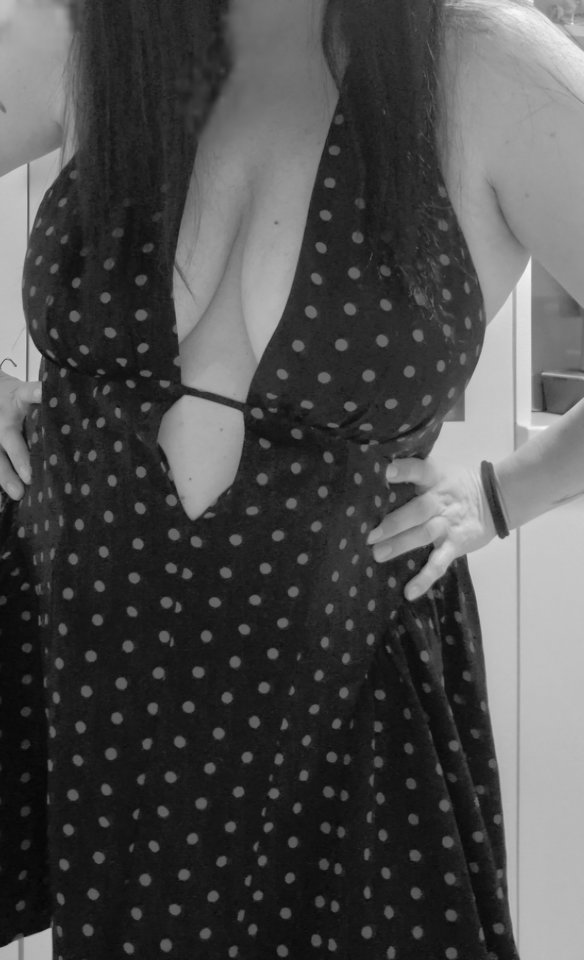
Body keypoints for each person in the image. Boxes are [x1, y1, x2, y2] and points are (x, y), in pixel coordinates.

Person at [0, 0, 583, 957]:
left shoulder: (486, 70)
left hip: (333, 717)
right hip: (93, 688)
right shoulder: (90, 35)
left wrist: (500, 496)